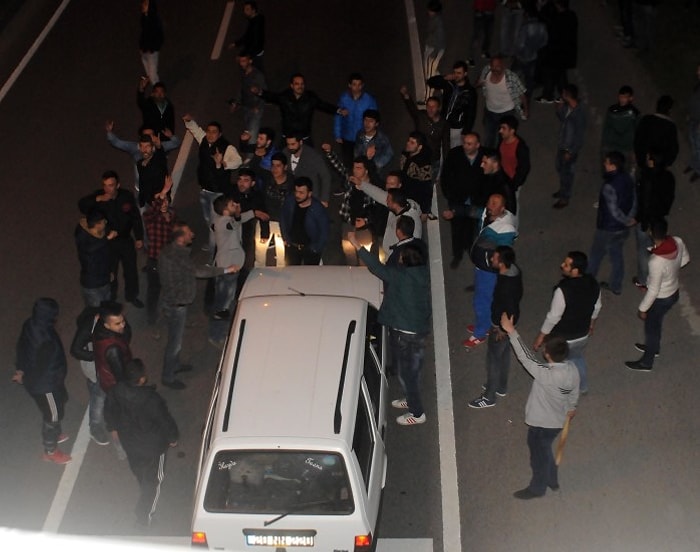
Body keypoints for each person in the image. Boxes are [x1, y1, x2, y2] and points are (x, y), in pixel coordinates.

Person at [350, 237, 431, 426]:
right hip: (417, 329)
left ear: (406, 260)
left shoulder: (401, 276)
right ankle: (410, 399)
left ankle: (417, 412)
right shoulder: (420, 273)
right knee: (412, 370)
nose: (399, 259)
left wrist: (357, 245)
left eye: (402, 257)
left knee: (406, 373)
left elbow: (376, 268)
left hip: (405, 333)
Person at [500, 312, 579, 499]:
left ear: (547, 354)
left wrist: (512, 331)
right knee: (545, 451)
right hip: (558, 421)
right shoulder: (572, 369)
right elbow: (573, 392)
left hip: (541, 425)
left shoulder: (546, 374)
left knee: (538, 457)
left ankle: (537, 488)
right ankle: (552, 480)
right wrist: (571, 407)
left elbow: (526, 358)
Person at [158, 222, 238, 389]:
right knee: (175, 341)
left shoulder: (169, 250)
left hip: (171, 300)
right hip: (176, 305)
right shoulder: (179, 257)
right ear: (180, 237)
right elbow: (199, 271)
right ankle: (168, 376)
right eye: (188, 233)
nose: (192, 235)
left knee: (175, 338)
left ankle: (175, 365)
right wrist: (225, 270)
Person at [105, 358, 179, 527]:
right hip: (153, 447)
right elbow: (164, 420)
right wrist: (173, 438)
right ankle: (144, 516)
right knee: (155, 481)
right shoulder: (152, 399)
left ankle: (143, 486)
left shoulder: (115, 391)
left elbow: (109, 410)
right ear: (142, 379)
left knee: (140, 471)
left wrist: (113, 428)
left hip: (130, 442)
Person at [625, 219, 690, 372]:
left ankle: (647, 362)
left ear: (651, 233)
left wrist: (642, 309)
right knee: (656, 323)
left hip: (661, 298)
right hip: (673, 292)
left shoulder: (656, 261)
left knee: (651, 328)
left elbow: (653, 290)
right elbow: (685, 259)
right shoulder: (677, 241)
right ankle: (654, 348)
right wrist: (671, 271)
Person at [533, 252, 601, 395]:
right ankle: (582, 387)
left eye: (566, 265)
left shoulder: (563, 290)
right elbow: (597, 306)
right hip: (582, 334)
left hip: (563, 337)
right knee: (577, 358)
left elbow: (553, 317)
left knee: (556, 364)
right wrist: (591, 324)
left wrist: (541, 336)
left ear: (575, 270)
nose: (562, 266)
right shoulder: (593, 283)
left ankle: (555, 391)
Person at [15, 298, 71, 465]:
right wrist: (24, 378)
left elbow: (21, 347)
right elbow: (39, 368)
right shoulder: (45, 338)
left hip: (49, 380)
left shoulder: (30, 324)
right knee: (53, 415)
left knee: (60, 403)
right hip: (46, 385)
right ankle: (50, 450)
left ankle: (55, 433)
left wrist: (20, 368)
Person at [79, 171, 145, 308]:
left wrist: (139, 237)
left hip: (125, 240)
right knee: (111, 273)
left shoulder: (126, 197)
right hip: (109, 243)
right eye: (105, 185)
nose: (107, 188)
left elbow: (135, 217)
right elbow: (82, 205)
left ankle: (132, 296)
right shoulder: (99, 197)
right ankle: (112, 299)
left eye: (111, 185)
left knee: (131, 271)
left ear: (117, 185)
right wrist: (97, 199)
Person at [468, 246, 523, 408]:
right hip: (508, 324)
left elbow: (508, 305)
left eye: (495, 258)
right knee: (504, 355)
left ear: (502, 263)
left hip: (500, 326)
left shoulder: (506, 284)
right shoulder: (514, 272)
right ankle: (501, 385)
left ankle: (489, 396)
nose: (492, 259)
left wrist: (501, 328)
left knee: (493, 359)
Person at [183, 114, 243, 253]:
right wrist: (189, 122)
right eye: (208, 131)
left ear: (220, 134)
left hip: (217, 193)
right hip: (205, 190)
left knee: (215, 224)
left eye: (214, 132)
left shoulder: (227, 148)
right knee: (208, 220)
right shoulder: (204, 140)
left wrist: (224, 163)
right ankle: (217, 242)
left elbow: (238, 161)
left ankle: (213, 251)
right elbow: (197, 131)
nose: (210, 134)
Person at [464, 193, 517, 349]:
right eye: (489, 202)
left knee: (482, 300)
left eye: (494, 204)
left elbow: (502, 253)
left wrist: (487, 262)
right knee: (483, 299)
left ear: (502, 208)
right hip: (483, 267)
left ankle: (480, 333)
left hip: (488, 271)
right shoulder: (490, 216)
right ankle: (484, 324)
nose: (490, 206)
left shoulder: (506, 229)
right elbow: (473, 212)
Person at [587, 151, 637, 296]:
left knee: (596, 254)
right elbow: (634, 199)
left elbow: (613, 210)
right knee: (616, 255)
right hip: (622, 228)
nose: (604, 164)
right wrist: (631, 218)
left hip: (608, 227)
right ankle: (616, 285)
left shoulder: (609, 185)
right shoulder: (627, 178)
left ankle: (586, 283)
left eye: (607, 162)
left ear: (613, 166)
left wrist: (626, 220)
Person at [253, 73, 342, 144]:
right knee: (280, 159)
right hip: (287, 136)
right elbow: (272, 97)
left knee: (309, 159)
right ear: (292, 85)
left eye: (302, 84)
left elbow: (323, 105)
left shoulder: (310, 97)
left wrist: (338, 110)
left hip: (304, 136)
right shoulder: (285, 97)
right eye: (297, 84)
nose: (300, 86)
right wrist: (260, 92)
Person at [632, 150, 676, 289]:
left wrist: (639, 219)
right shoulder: (668, 176)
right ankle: (658, 275)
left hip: (647, 220)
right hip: (659, 219)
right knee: (656, 247)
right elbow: (670, 197)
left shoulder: (647, 178)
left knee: (643, 250)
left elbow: (644, 202)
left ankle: (643, 279)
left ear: (652, 161)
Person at [70, 305, 112, 446]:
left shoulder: (106, 325)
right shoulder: (90, 329)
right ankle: (95, 427)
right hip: (96, 370)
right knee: (98, 396)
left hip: (106, 368)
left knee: (102, 393)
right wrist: (98, 356)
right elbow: (76, 350)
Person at [441, 132, 483, 269]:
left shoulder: (484, 157)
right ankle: (457, 254)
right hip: (458, 201)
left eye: (469, 144)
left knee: (474, 229)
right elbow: (445, 176)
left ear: (477, 145)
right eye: (464, 142)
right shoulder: (455, 155)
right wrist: (449, 195)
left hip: (475, 202)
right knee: (457, 228)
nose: (465, 146)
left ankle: (471, 251)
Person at [354, 176, 422, 257]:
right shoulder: (406, 203)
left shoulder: (407, 223)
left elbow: (412, 244)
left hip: (393, 256)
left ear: (394, 204)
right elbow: (379, 194)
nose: (385, 201)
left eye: (388, 201)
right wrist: (362, 184)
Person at [399, 86, 449, 182]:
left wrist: (446, 163)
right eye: (428, 106)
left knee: (429, 181)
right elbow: (412, 109)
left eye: (433, 106)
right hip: (418, 156)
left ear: (438, 108)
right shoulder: (421, 117)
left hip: (432, 159)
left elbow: (446, 144)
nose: (430, 109)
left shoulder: (444, 124)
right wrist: (406, 96)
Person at [477, 56, 528, 149]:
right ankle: (490, 159)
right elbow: (480, 82)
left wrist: (525, 110)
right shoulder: (486, 71)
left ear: (503, 66)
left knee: (503, 139)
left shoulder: (511, 77)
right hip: (490, 112)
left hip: (506, 113)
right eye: (492, 66)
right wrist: (478, 83)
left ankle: (500, 158)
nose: (495, 69)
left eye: (497, 66)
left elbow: (522, 94)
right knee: (489, 139)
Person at [142, 196, 177, 326]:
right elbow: (148, 214)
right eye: (160, 202)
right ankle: (151, 319)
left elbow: (172, 222)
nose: (163, 204)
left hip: (169, 261)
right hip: (155, 261)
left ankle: (167, 312)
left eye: (166, 201)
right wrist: (160, 199)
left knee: (169, 288)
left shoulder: (172, 215)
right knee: (153, 291)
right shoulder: (151, 219)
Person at [426, 61, 478, 147]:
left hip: (456, 127)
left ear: (465, 74)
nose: (456, 75)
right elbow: (430, 82)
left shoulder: (470, 92)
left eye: (459, 73)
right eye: (454, 72)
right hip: (443, 122)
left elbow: (471, 113)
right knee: (441, 146)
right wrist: (444, 78)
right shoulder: (449, 84)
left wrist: (466, 131)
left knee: (454, 149)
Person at [279, 177, 330, 265]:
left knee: (309, 275)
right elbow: (283, 219)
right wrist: (285, 238)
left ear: (309, 193)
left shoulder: (317, 208)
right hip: (292, 247)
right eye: (296, 191)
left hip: (310, 249)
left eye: (301, 192)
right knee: (291, 274)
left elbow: (324, 230)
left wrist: (316, 248)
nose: (297, 195)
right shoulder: (290, 201)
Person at [552, 84, 587, 209]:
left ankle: (564, 198)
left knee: (567, 173)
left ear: (568, 95)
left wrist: (571, 151)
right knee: (560, 168)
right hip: (562, 144)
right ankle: (562, 190)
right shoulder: (567, 107)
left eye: (564, 93)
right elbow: (562, 118)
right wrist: (559, 108)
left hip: (569, 149)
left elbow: (579, 136)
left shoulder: (579, 113)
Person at [537, 0, 578, 104]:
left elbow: (552, 36)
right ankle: (561, 95)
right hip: (567, 52)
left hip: (556, 53)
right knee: (561, 74)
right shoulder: (572, 16)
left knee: (550, 73)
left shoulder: (557, 20)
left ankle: (549, 95)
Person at [334, 73, 378, 168]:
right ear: (349, 85)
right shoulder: (344, 98)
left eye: (359, 84)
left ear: (362, 85)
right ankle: (349, 181)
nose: (357, 87)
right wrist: (337, 134)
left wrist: (372, 136)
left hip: (362, 137)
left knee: (362, 163)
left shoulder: (369, 99)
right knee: (348, 163)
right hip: (347, 136)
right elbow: (338, 116)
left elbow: (374, 118)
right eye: (354, 84)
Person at [75, 208, 113, 308]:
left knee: (107, 306)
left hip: (104, 278)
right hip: (92, 283)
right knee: (97, 310)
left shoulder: (101, 234)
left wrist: (109, 271)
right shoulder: (84, 238)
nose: (105, 223)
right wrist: (107, 239)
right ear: (97, 224)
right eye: (104, 221)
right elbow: (89, 249)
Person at [93, 301, 133, 393]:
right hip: (113, 385)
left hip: (106, 378)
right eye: (118, 324)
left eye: (123, 321)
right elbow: (120, 377)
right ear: (107, 325)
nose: (123, 325)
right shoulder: (113, 349)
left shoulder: (101, 329)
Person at [497, 114, 530, 227]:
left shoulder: (520, 147)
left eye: (504, 128)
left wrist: (514, 184)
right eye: (500, 127)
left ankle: (513, 228)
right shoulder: (502, 140)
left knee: (513, 206)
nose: (500, 131)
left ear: (512, 131)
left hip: (512, 182)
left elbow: (524, 168)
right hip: (503, 178)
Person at [260, 152, 292, 266]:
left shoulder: (292, 184)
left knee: (282, 258)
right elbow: (261, 201)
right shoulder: (267, 180)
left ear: (285, 167)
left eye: (278, 166)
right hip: (266, 221)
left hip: (283, 224)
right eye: (273, 165)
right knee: (260, 256)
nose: (274, 169)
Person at [512, 4, 548, 102]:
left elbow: (520, 44)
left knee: (512, 75)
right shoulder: (542, 26)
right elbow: (544, 41)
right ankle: (526, 101)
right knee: (529, 80)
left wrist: (517, 53)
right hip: (534, 56)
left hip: (522, 57)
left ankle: (511, 97)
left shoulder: (525, 27)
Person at [633, 95, 679, 173]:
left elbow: (638, 137)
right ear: (669, 110)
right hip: (658, 164)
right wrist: (668, 162)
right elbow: (673, 148)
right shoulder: (671, 127)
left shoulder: (646, 119)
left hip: (642, 159)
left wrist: (636, 153)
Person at [283, 135, 332, 206]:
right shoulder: (285, 152)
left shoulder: (313, 156)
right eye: (288, 144)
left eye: (293, 144)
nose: (290, 147)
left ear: (300, 142)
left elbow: (325, 176)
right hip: (292, 194)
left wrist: (324, 199)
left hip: (310, 196)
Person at [600, 85, 640, 169]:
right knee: (609, 170)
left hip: (626, 148)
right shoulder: (611, 110)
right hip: (611, 146)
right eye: (621, 97)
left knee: (623, 172)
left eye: (625, 97)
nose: (622, 99)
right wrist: (604, 145)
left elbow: (638, 132)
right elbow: (606, 128)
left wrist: (634, 150)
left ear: (631, 98)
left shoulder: (635, 113)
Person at [399, 131, 434, 217]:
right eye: (408, 141)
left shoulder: (423, 164)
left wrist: (425, 211)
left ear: (419, 147)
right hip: (404, 193)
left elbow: (426, 188)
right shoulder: (405, 153)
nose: (408, 144)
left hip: (416, 198)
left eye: (412, 143)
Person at [352, 110, 394, 178]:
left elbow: (389, 153)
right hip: (361, 170)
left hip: (374, 173)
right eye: (365, 120)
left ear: (376, 124)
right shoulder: (360, 134)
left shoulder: (382, 138)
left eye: (371, 121)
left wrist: (376, 165)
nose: (367, 123)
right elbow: (357, 150)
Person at [228, 0, 265, 70]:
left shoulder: (255, 24)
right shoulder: (255, 19)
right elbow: (248, 36)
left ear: (253, 10)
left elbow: (252, 40)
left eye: (247, 9)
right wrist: (236, 44)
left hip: (255, 52)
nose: (245, 11)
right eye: (244, 9)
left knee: (256, 69)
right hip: (256, 51)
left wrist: (244, 54)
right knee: (257, 69)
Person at [423, 1, 446, 102]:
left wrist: (434, 53)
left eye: (430, 10)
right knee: (433, 71)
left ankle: (427, 98)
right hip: (431, 48)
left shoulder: (438, 22)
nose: (428, 11)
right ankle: (446, 88)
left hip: (434, 50)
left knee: (430, 75)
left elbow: (440, 40)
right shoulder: (435, 19)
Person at [139, 0, 164, 85]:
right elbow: (143, 35)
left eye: (145, 4)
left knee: (153, 77)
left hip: (151, 53)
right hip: (144, 51)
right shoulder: (144, 18)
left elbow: (160, 37)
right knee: (149, 75)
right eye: (143, 3)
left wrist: (152, 49)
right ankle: (156, 93)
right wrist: (141, 47)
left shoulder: (155, 20)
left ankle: (159, 94)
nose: (142, 5)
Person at [468, 0, 497, 66]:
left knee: (488, 34)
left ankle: (484, 51)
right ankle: (471, 57)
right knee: (477, 37)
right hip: (480, 10)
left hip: (489, 10)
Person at [685, 64, 700, 182]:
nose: (697, 72)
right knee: (693, 144)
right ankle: (693, 164)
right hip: (693, 119)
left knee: (699, 147)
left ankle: (698, 170)